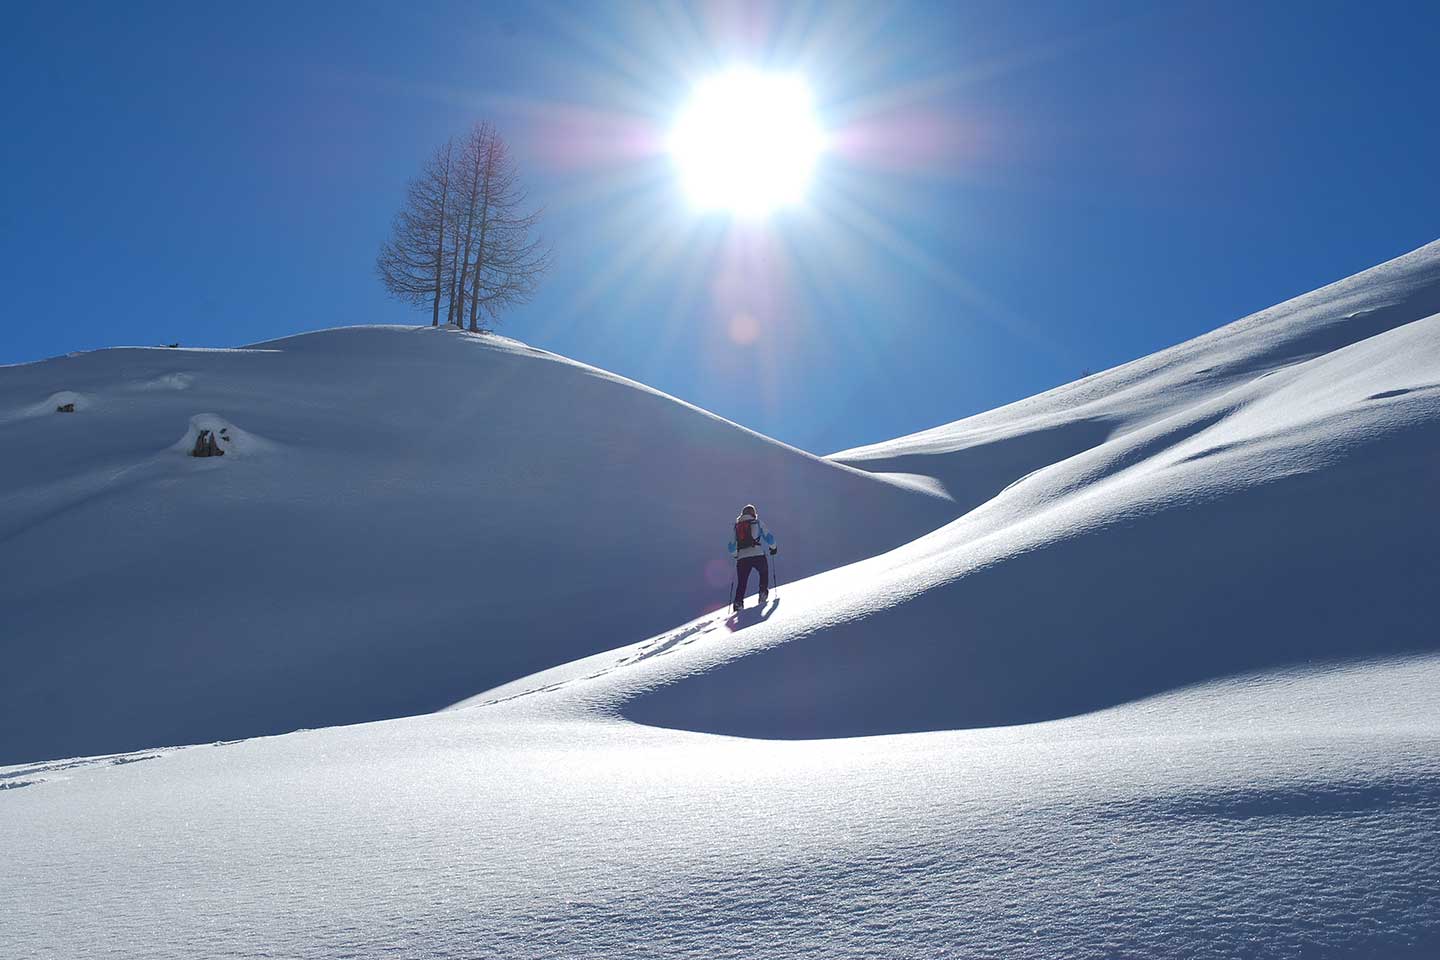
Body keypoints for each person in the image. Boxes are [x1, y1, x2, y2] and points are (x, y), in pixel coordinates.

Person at [727, 504, 777, 613]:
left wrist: (736, 555)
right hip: (757, 554)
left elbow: (731, 547)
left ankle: (738, 603)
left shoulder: (737, 526)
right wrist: (773, 548)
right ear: (753, 513)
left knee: (742, 582)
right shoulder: (758, 523)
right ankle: (763, 592)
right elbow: (769, 538)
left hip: (742, 558)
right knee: (763, 572)